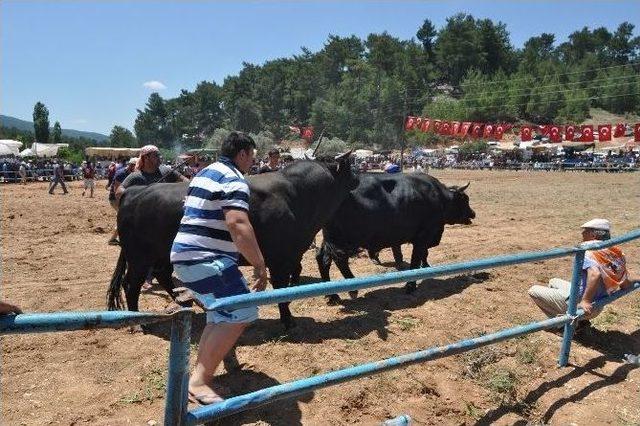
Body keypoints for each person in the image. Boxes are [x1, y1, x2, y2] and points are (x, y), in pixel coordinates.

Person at [170, 132, 268, 405]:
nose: (252, 162)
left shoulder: (205, 173)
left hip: (186, 254)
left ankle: (200, 379)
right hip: (207, 258)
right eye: (252, 156)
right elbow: (237, 223)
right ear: (243, 154)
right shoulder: (234, 179)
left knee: (219, 316)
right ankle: (198, 382)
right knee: (243, 311)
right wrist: (259, 264)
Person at [528, 219, 637, 326]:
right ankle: (579, 321)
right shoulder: (615, 252)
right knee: (553, 281)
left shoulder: (587, 250)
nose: (582, 233)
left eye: (585, 231)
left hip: (584, 308)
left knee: (533, 291)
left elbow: (595, 274)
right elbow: (625, 283)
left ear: (593, 235)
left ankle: (566, 325)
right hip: (599, 305)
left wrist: (586, 301)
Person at [107, 157, 137, 245]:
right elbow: (116, 190)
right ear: (131, 165)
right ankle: (113, 239)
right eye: (135, 166)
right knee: (124, 218)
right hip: (115, 199)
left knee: (125, 218)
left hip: (123, 199)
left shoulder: (131, 173)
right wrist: (121, 204)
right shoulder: (121, 173)